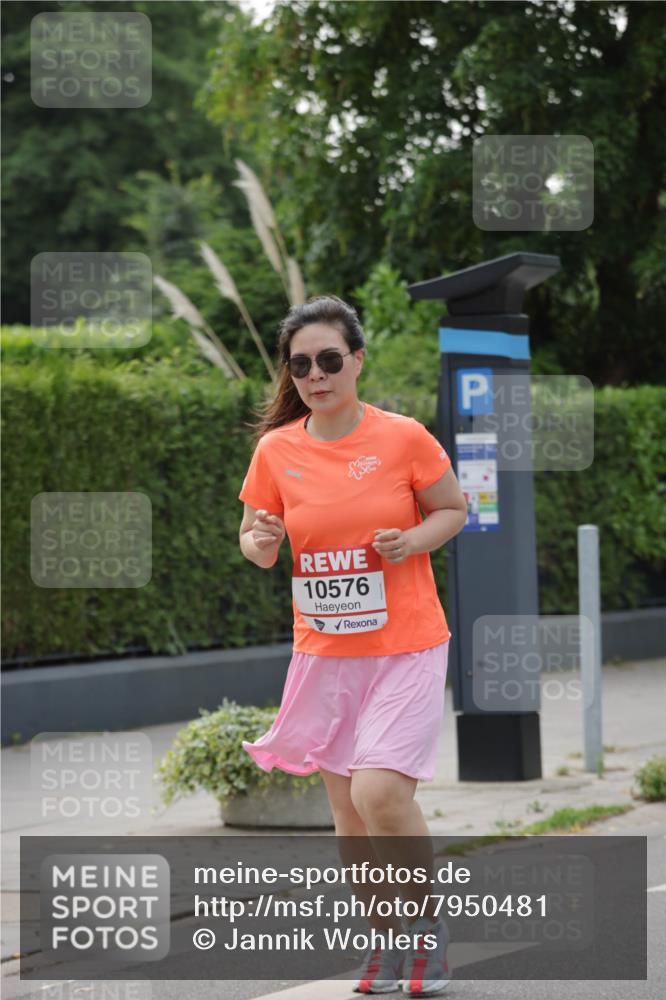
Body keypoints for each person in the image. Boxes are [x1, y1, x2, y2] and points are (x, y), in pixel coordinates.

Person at [238, 295, 468, 996]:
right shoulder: (277, 449)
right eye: (301, 363)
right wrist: (260, 542)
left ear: (356, 360)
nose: (315, 373)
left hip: (406, 644)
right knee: (345, 812)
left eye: (329, 359)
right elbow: (253, 535)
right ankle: (385, 944)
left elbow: (453, 509)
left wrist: (412, 539)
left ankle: (426, 928)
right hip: (326, 653)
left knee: (379, 794)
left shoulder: (403, 438)